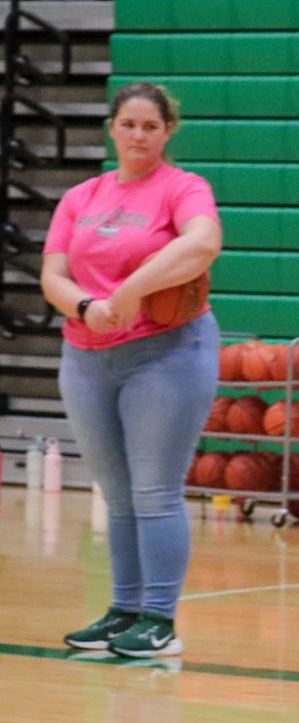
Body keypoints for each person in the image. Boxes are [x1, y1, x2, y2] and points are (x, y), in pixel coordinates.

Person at [41, 81, 222, 658]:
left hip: (166, 352)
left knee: (155, 492)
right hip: (87, 352)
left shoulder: (184, 188)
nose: (139, 135)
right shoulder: (81, 196)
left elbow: (203, 244)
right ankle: (124, 611)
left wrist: (132, 290)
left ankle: (160, 620)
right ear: (111, 128)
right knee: (116, 495)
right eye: (129, 124)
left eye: (151, 126)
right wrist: (88, 308)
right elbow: (52, 275)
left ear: (168, 131)